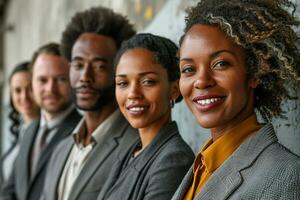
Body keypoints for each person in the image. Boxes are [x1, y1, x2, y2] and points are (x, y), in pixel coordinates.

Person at [172, 0, 300, 199]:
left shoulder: (288, 176)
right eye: (188, 69)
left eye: (220, 64)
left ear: (255, 73)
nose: (201, 81)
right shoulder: (200, 166)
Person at [42, 7, 138, 200]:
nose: (85, 77)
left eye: (99, 66)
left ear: (121, 71)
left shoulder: (136, 145)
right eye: (78, 65)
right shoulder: (61, 149)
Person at [97, 33, 194, 200]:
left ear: (174, 89)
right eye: (123, 83)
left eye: (148, 81)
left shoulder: (174, 160)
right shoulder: (131, 151)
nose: (133, 94)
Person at [0, 43, 81, 200]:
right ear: (33, 82)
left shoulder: (83, 130)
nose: (50, 88)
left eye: (60, 79)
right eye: (42, 80)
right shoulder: (30, 131)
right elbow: (10, 189)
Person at [0, 62, 40, 187]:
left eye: (30, 89)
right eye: (17, 90)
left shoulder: (46, 135)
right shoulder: (21, 131)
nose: (24, 96)